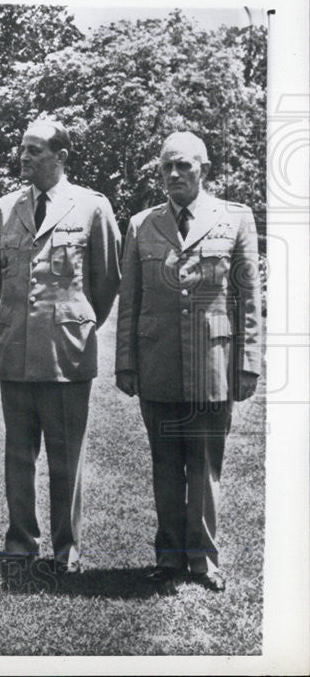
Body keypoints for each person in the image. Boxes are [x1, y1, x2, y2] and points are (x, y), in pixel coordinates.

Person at [116, 131, 261, 593]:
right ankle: (169, 556)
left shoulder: (234, 219)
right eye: (166, 167)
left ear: (203, 167)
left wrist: (248, 363)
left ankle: (203, 559)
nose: (174, 175)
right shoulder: (141, 224)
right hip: (156, 358)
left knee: (203, 463)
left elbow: (248, 299)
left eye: (184, 166)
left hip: (211, 361)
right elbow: (129, 300)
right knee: (164, 464)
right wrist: (126, 362)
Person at [0, 119, 121, 574]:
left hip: (67, 354)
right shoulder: (3, 210)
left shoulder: (92, 208)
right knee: (18, 456)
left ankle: (67, 549)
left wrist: (73, 323)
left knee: (67, 458)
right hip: (16, 351)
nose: (24, 157)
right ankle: (21, 542)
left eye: (35, 150)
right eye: (22, 149)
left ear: (61, 156)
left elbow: (105, 283)